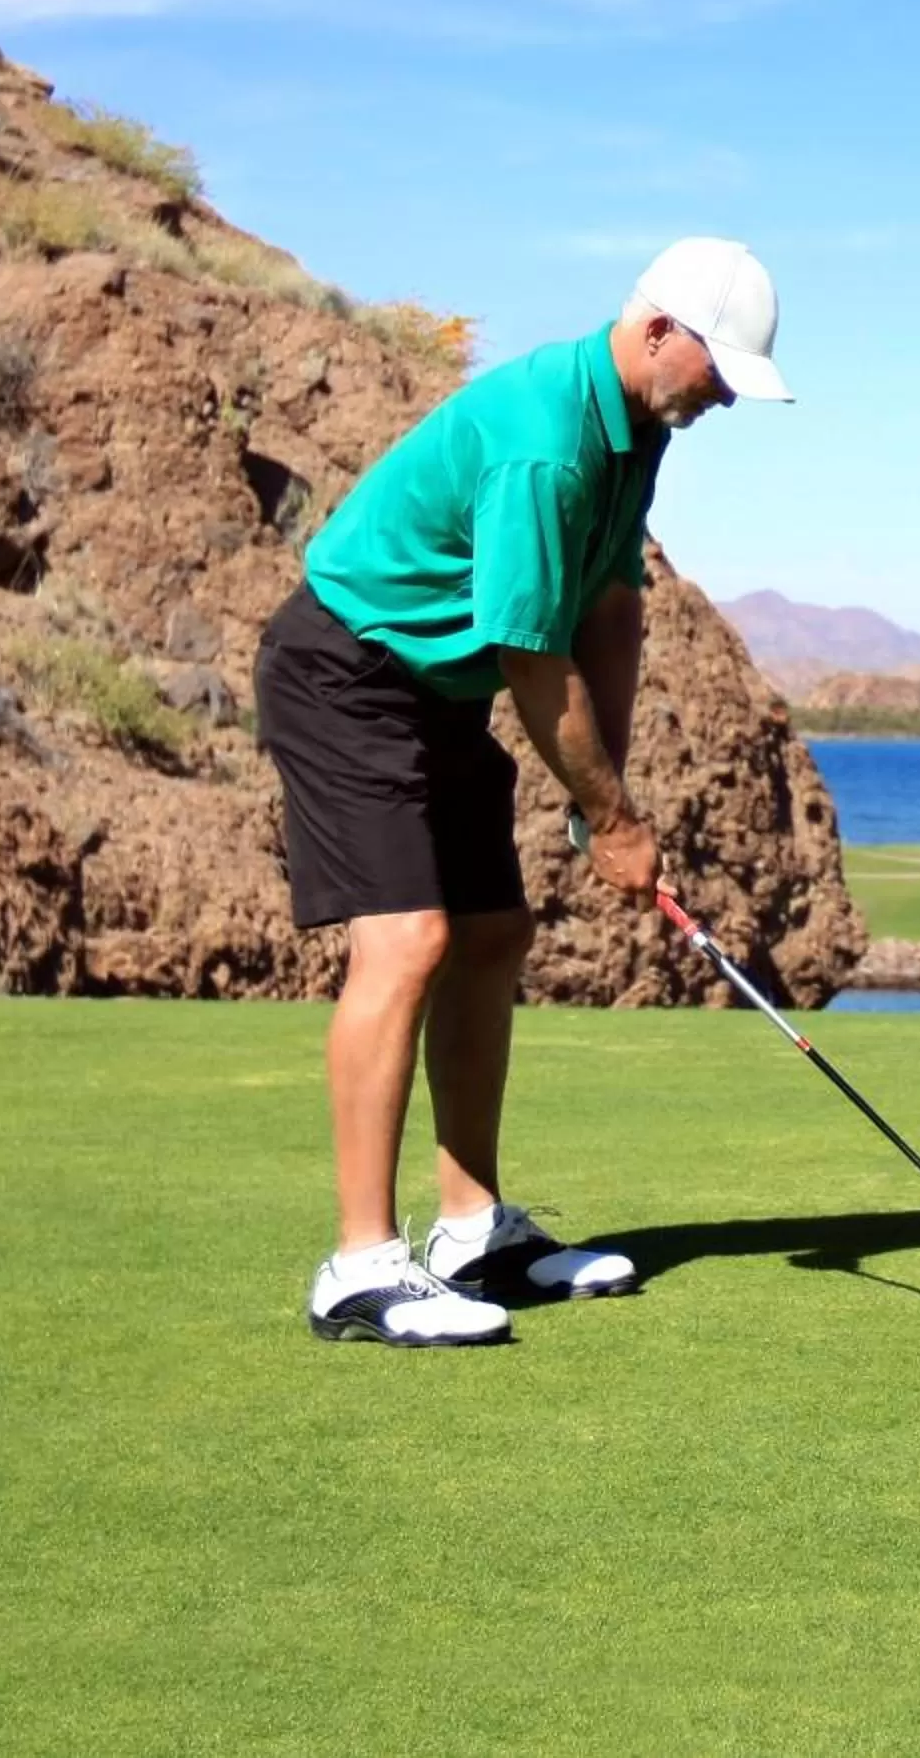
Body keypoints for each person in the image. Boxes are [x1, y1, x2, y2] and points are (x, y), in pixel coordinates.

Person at [252, 238, 793, 1346]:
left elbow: (610, 609)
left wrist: (611, 794)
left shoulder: (634, 425)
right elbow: (531, 659)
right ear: (657, 334)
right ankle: (357, 1265)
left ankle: (471, 1232)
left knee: (494, 930)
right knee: (406, 940)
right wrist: (612, 819)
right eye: (718, 372)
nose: (724, 397)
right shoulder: (546, 447)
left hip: (434, 691)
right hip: (345, 668)